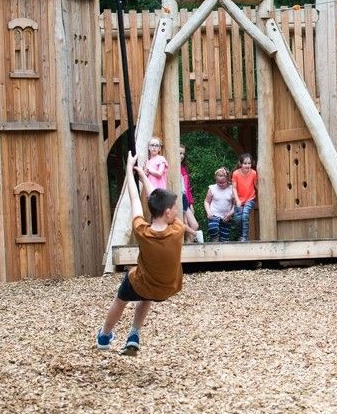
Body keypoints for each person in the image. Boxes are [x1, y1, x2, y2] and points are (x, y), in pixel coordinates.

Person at [96, 153, 185, 356]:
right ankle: (134, 334)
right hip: (166, 289)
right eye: (175, 208)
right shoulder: (177, 230)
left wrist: (130, 171)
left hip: (144, 283)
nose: (177, 211)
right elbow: (155, 200)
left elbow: (136, 198)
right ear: (169, 212)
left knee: (122, 297)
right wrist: (145, 178)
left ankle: (104, 336)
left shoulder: (141, 231)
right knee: (146, 292)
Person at [204, 167, 238, 242]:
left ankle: (223, 250)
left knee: (224, 239)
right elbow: (206, 201)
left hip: (226, 217)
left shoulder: (231, 189)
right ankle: (215, 241)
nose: (221, 184)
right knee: (213, 229)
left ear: (228, 180)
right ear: (216, 180)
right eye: (219, 182)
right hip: (214, 214)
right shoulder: (212, 188)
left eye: (223, 182)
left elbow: (235, 204)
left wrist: (230, 214)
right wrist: (208, 212)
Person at [178, 144, 202, 243]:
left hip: (185, 200)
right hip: (175, 201)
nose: (182, 156)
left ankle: (188, 246)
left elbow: (187, 189)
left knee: (194, 225)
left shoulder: (183, 169)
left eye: (183, 154)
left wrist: (191, 203)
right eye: (179, 153)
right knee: (185, 224)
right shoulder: (169, 166)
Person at [231, 153, 258, 242]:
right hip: (239, 200)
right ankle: (241, 235)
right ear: (241, 164)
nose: (247, 165)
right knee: (238, 219)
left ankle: (244, 237)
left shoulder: (254, 173)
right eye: (245, 163)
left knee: (245, 215)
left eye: (249, 163)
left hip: (250, 199)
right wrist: (237, 200)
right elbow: (234, 188)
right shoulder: (236, 174)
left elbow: (257, 186)